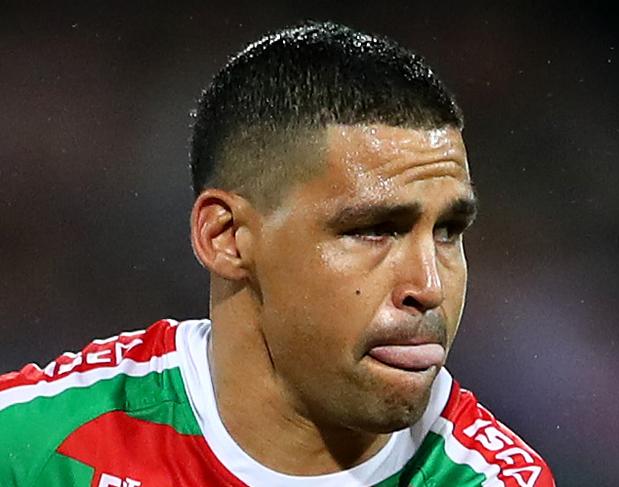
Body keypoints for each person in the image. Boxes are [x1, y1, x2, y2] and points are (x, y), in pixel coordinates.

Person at [0, 21, 555, 487]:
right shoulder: (37, 451)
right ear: (227, 237)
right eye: (374, 230)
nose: (429, 286)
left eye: (449, 231)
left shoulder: (488, 478)